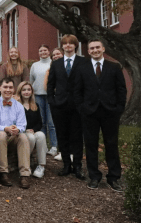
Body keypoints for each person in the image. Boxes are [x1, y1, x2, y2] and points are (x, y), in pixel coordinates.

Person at [74, 39, 127, 192]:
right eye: (92, 48)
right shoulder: (82, 68)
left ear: (103, 48)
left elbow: (121, 90)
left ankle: (113, 178)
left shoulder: (114, 67)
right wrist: (82, 108)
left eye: (98, 47)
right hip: (89, 112)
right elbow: (77, 91)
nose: (95, 50)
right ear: (88, 51)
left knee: (111, 144)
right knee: (90, 145)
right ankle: (94, 177)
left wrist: (119, 109)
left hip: (110, 112)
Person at [47, 34, 87, 180]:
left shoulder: (83, 62)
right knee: (62, 135)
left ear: (75, 45)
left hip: (78, 106)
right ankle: (66, 165)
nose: (68, 46)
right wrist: (52, 101)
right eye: (65, 43)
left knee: (77, 137)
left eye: (71, 43)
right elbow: (51, 84)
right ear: (62, 46)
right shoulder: (56, 64)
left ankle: (77, 166)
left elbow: (88, 84)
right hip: (60, 106)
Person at [0, 77, 31, 189]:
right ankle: (3, 173)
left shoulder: (19, 106)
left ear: (14, 89)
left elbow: (22, 125)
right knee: (2, 134)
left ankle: (24, 175)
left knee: (23, 136)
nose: (8, 90)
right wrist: (6, 128)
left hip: (13, 135)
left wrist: (17, 129)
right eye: (5, 87)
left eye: (10, 87)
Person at [29, 45, 58, 158]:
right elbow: (31, 81)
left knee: (51, 123)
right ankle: (43, 146)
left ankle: (54, 146)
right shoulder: (35, 65)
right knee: (42, 122)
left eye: (45, 50)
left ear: (49, 51)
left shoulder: (53, 63)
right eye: (40, 51)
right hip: (38, 96)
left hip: (51, 96)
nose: (43, 52)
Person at [16, 81, 48, 178]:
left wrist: (33, 129)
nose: (26, 92)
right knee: (31, 138)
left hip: (33, 131)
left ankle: (41, 166)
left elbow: (40, 123)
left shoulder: (35, 105)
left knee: (41, 135)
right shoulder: (16, 105)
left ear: (31, 92)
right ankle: (26, 164)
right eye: (24, 90)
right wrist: (25, 130)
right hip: (22, 132)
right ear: (20, 91)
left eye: (29, 90)